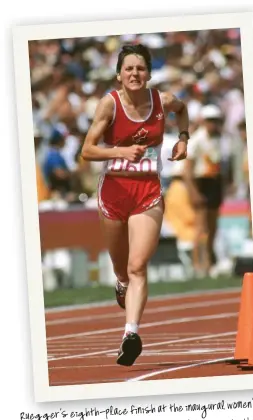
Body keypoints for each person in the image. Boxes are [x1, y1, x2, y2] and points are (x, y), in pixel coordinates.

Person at [81, 44, 189, 366]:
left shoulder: (163, 101)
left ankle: (130, 333)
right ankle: (121, 284)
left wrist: (183, 138)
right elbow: (87, 150)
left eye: (140, 69)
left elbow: (182, 110)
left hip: (148, 193)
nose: (134, 74)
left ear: (149, 74)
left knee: (138, 265)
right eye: (128, 68)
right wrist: (120, 152)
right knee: (122, 267)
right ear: (119, 75)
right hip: (113, 192)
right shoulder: (108, 105)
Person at [182, 104, 225, 278]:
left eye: (215, 120)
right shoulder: (196, 139)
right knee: (201, 226)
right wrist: (193, 191)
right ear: (203, 121)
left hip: (214, 181)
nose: (213, 124)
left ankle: (209, 260)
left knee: (213, 226)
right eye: (210, 120)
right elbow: (188, 169)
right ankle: (197, 262)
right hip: (201, 182)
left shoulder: (219, 138)